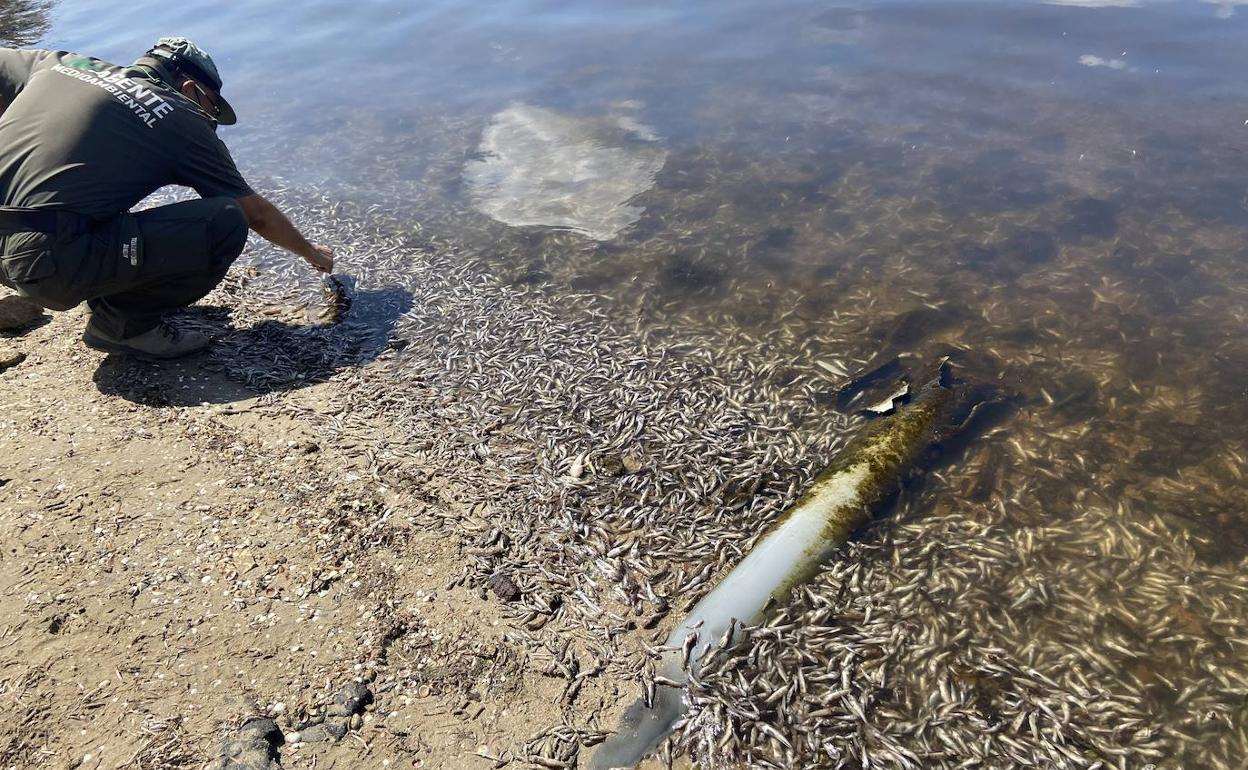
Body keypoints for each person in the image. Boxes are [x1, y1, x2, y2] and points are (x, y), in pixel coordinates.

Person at [0, 37, 334, 359]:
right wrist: (309, 251)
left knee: (98, 191)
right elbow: (255, 214)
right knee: (225, 220)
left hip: (18, 249)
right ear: (191, 89)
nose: (211, 121)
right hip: (44, 266)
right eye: (213, 108)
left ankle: (92, 280)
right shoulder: (180, 118)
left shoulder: (62, 64)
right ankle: (123, 327)